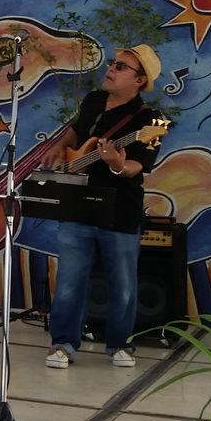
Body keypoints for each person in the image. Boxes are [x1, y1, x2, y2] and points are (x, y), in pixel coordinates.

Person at [39, 43, 164, 369]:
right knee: (69, 281)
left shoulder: (152, 121)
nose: (111, 69)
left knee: (122, 283)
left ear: (139, 80)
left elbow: (137, 167)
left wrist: (117, 164)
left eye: (121, 67)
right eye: (113, 63)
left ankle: (120, 344)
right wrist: (60, 147)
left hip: (119, 209)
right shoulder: (93, 100)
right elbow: (75, 131)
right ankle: (63, 344)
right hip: (77, 203)